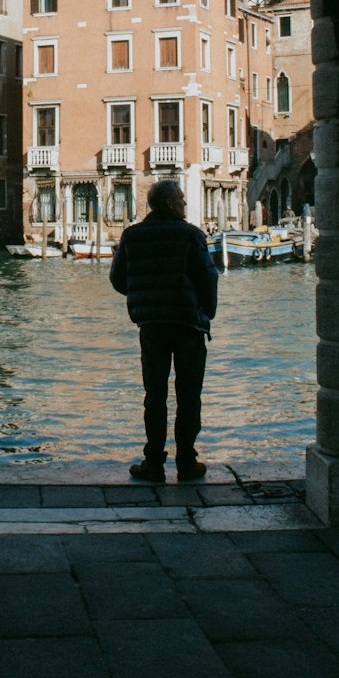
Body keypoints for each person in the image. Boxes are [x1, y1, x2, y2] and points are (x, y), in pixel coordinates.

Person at [109, 179, 218, 482]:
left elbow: (118, 279)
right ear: (171, 204)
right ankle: (186, 462)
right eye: (182, 200)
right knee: (189, 395)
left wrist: (142, 296)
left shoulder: (132, 236)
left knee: (154, 395)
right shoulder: (191, 235)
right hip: (187, 325)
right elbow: (208, 278)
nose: (185, 204)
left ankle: (153, 463)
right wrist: (205, 311)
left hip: (152, 326)